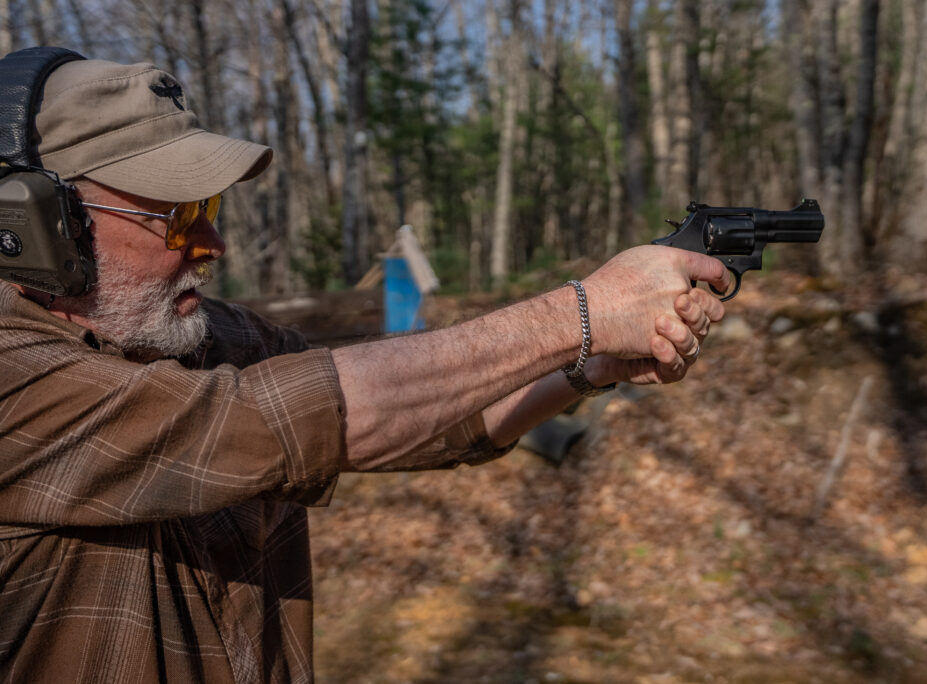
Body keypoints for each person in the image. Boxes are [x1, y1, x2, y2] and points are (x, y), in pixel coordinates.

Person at [0, 54, 727, 682]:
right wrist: (580, 310)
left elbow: (411, 416)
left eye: (209, 207)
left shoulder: (200, 339)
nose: (212, 242)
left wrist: (587, 362)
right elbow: (280, 418)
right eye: (178, 217)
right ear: (34, 224)